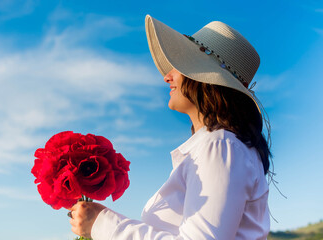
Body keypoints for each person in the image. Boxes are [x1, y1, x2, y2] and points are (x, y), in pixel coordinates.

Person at [69, 14, 272, 240]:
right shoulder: (223, 147)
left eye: (179, 66)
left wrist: (102, 225)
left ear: (206, 79)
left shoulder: (221, 146)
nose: (167, 77)